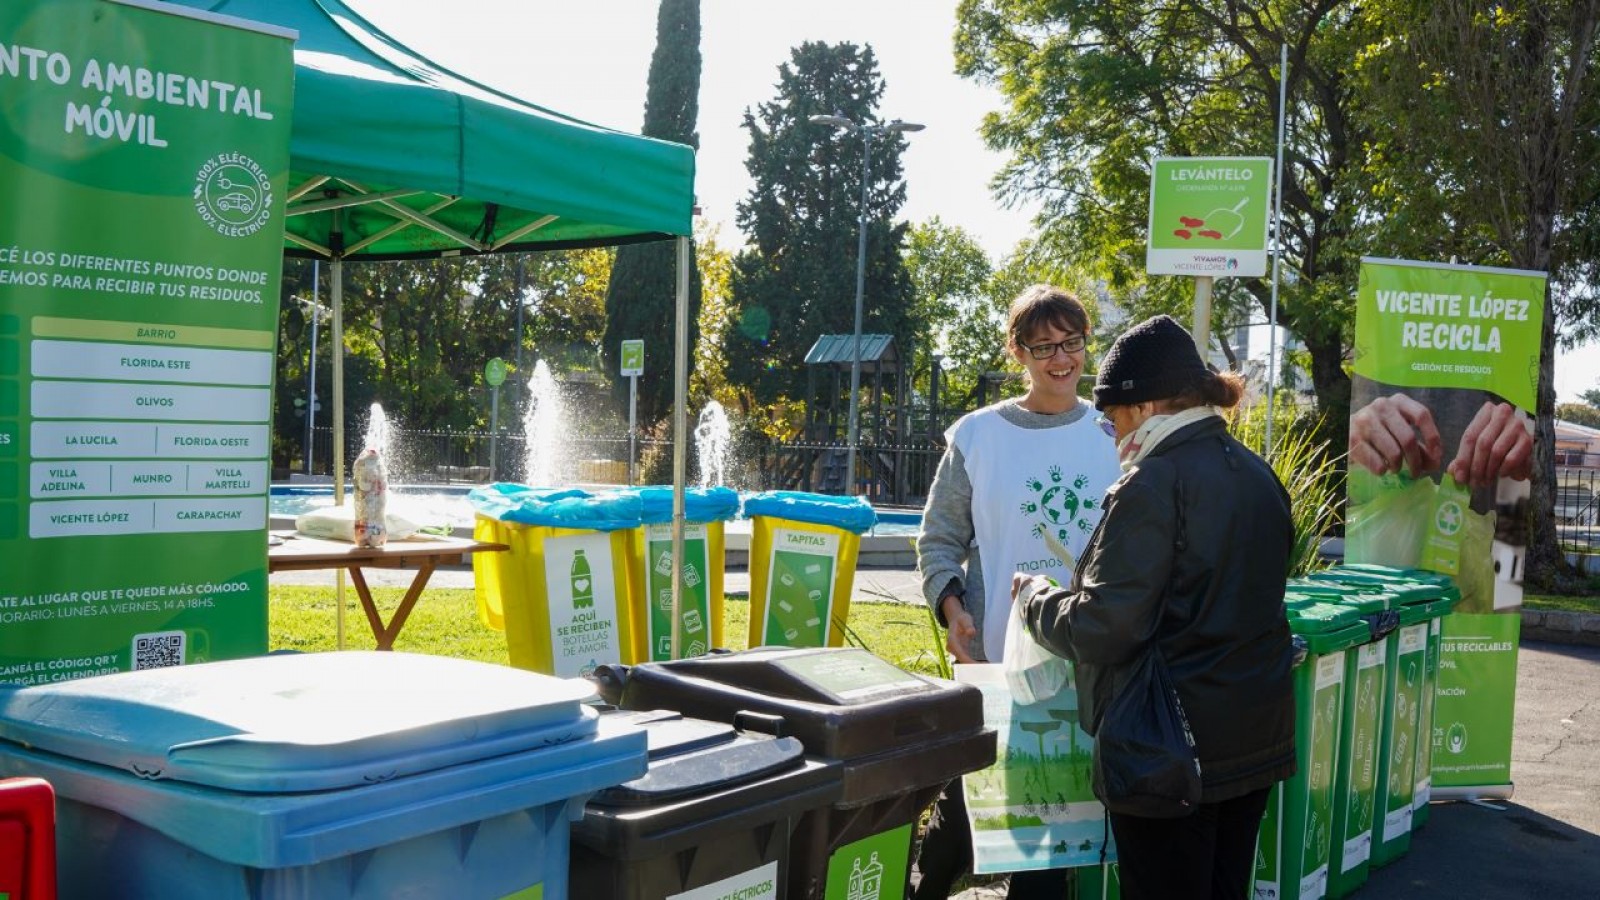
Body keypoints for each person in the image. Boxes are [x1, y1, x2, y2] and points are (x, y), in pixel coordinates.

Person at [1013, 314, 1296, 900]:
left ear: (1142, 408)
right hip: (1252, 742)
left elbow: (1105, 628)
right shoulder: (1257, 474)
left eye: (1113, 418)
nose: (1114, 437)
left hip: (1167, 752)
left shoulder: (1152, 483)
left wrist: (1035, 600)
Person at [911, 284, 1121, 900]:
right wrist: (953, 611)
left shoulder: (1115, 435)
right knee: (967, 807)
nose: (1061, 359)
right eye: (1044, 347)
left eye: (1072, 342)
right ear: (1018, 353)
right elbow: (940, 539)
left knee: (1052, 836)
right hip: (998, 663)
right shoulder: (977, 436)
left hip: (1084, 665)